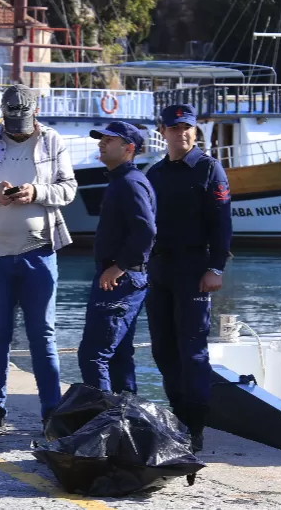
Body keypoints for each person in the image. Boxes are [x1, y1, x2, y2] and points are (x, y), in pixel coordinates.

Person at [0, 83, 77, 437]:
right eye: (11, 123)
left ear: (35, 113)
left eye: (22, 123)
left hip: (38, 250)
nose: (17, 129)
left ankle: (51, 413)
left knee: (43, 334)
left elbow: (68, 188)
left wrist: (37, 192)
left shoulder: (53, 140)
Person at [144, 103, 232, 453]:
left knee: (192, 351)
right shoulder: (155, 174)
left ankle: (195, 427)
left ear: (194, 132)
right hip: (159, 270)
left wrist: (216, 267)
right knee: (163, 349)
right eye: (175, 128)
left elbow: (222, 221)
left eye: (187, 128)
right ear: (163, 132)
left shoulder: (210, 170)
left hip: (194, 270)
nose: (182, 133)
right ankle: (178, 418)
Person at [77, 121, 156, 395]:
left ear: (129, 148)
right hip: (124, 278)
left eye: (110, 140)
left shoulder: (129, 183)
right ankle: (124, 419)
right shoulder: (122, 181)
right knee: (119, 356)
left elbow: (146, 230)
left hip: (119, 280)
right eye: (101, 138)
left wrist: (119, 266)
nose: (102, 143)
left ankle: (102, 423)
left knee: (93, 355)